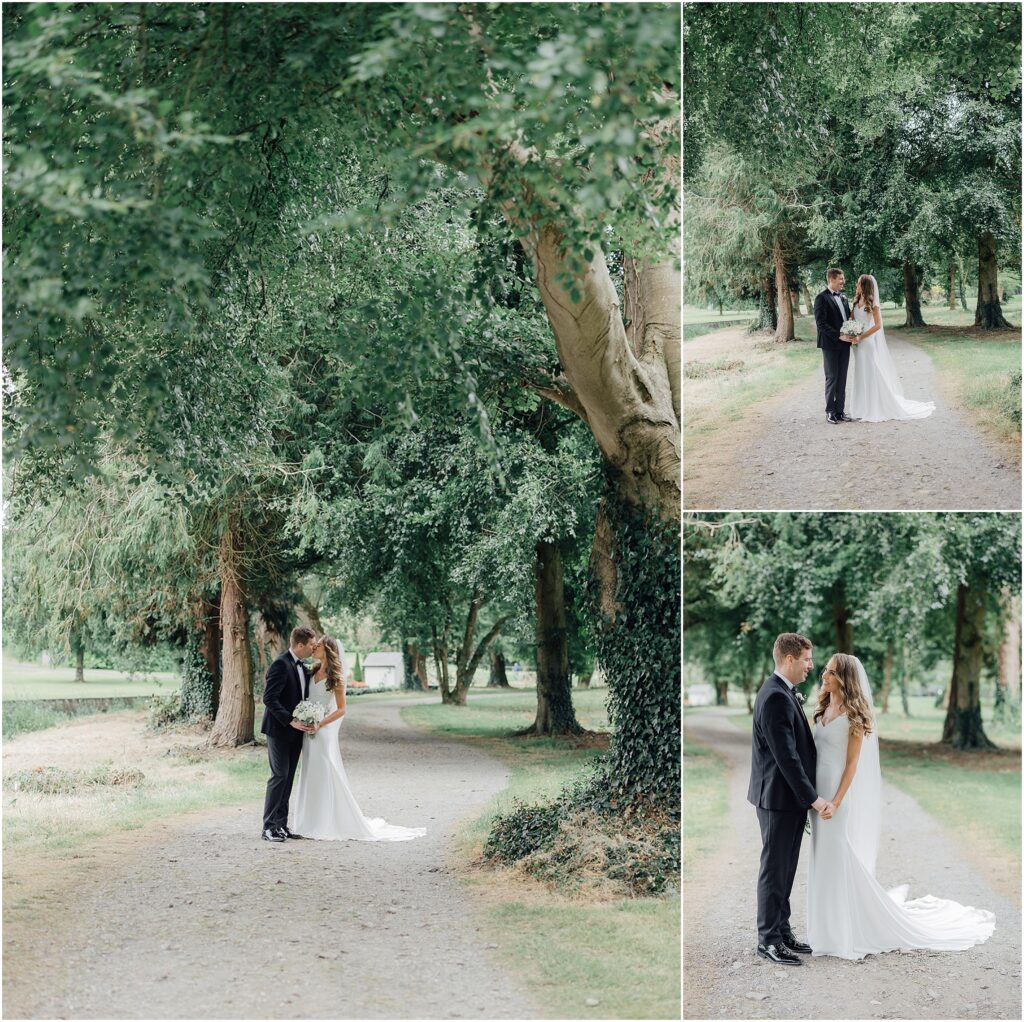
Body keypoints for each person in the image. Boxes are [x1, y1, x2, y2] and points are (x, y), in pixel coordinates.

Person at [807, 653, 994, 958]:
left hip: (837, 798)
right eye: (825, 672)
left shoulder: (855, 714)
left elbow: (852, 764)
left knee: (838, 858)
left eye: (829, 672)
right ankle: (824, 928)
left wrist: (837, 801)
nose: (823, 677)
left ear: (843, 678)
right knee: (821, 860)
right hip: (818, 797)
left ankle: (845, 931)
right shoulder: (825, 707)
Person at [747, 632, 836, 966]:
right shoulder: (774, 697)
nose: (811, 666)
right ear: (789, 659)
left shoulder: (784, 693)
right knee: (774, 868)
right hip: (777, 799)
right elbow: (787, 759)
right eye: (807, 660)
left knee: (785, 867)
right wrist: (814, 800)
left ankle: (782, 932)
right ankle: (768, 940)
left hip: (787, 801)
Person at [292, 635, 426, 842]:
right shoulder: (311, 671)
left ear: (328, 650)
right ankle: (307, 820)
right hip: (309, 729)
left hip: (323, 730)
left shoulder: (336, 678)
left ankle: (326, 820)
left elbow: (342, 710)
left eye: (318, 645)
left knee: (326, 770)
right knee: (310, 771)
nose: (314, 647)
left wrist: (320, 723)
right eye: (314, 645)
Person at [848, 274, 935, 422]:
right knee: (860, 373)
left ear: (864, 285)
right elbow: (852, 319)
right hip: (856, 343)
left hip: (867, 342)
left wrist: (861, 337)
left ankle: (875, 406)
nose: (856, 285)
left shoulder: (872, 304)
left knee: (871, 372)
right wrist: (851, 332)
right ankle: (861, 407)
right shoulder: (856, 301)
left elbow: (878, 325)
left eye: (858, 283)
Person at [260, 626, 317, 842]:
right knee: (279, 776)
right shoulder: (281, 664)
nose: (315, 647)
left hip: (296, 732)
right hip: (278, 730)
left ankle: (281, 826)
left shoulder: (302, 666)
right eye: (312, 644)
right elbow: (269, 698)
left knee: (288, 778)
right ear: (300, 645)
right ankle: (268, 827)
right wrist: (290, 720)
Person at [813, 267, 857, 424]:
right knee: (832, 377)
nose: (843, 281)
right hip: (830, 345)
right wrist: (840, 335)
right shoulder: (821, 298)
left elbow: (846, 320)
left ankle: (840, 411)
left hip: (845, 345)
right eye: (841, 279)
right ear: (831, 279)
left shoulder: (843, 297)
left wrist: (852, 333)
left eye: (843, 278)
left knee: (843, 378)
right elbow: (821, 324)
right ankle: (830, 411)